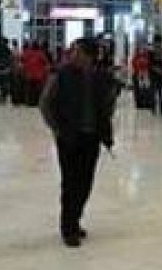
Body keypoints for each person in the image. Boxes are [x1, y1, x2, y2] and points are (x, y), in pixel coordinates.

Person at [39, 38, 117, 247]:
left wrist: (105, 129)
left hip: (92, 136)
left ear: (89, 56)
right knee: (70, 182)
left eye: (77, 51)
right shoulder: (61, 75)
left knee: (85, 182)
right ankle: (68, 227)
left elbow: (109, 103)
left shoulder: (102, 76)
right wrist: (58, 129)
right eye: (73, 51)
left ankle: (75, 218)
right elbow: (46, 103)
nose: (73, 55)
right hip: (69, 137)